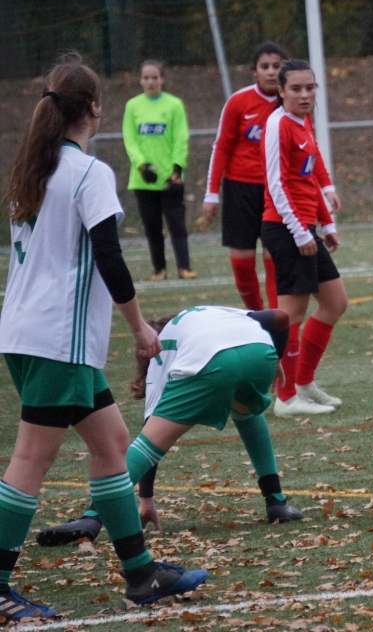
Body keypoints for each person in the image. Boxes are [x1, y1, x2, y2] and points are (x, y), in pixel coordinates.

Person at [0, 58, 206, 621]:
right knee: (30, 459)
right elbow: (108, 255)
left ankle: (141, 576)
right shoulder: (87, 172)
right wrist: (140, 327)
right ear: (94, 107)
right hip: (54, 339)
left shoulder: (33, 168)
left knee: (112, 442)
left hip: (26, 332)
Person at [35, 306, 305, 548]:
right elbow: (282, 316)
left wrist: (146, 498)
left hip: (211, 360)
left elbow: (148, 435)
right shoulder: (216, 313)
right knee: (248, 413)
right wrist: (277, 360)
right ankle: (277, 502)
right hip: (259, 351)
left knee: (149, 445)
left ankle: (92, 517)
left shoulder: (162, 350)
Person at [260, 59, 347, 417]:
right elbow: (276, 184)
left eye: (310, 87)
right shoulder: (278, 124)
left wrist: (326, 222)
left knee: (335, 302)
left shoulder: (302, 121)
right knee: (290, 315)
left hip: (304, 228)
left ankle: (304, 382)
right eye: (296, 88)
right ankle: (285, 397)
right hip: (284, 229)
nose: (305, 94)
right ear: (280, 91)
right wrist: (299, 232)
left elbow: (309, 175)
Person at [203, 42, 318, 311]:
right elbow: (221, 146)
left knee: (273, 257)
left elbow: (311, 154)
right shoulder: (238, 102)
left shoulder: (293, 107)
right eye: (264, 66)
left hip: (275, 192)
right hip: (240, 188)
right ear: (254, 71)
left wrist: (324, 189)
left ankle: (276, 318)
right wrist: (211, 192)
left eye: (276, 66)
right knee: (242, 261)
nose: (270, 71)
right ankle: (255, 314)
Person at [122, 59, 196, 281]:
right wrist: (142, 166)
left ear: (162, 79)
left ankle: (184, 267)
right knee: (152, 227)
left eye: (155, 77)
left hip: (169, 179)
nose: (150, 81)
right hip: (143, 180)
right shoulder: (133, 106)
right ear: (140, 80)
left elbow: (180, 138)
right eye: (146, 77)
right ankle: (159, 270)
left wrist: (177, 168)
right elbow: (130, 140)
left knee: (177, 226)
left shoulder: (174, 105)